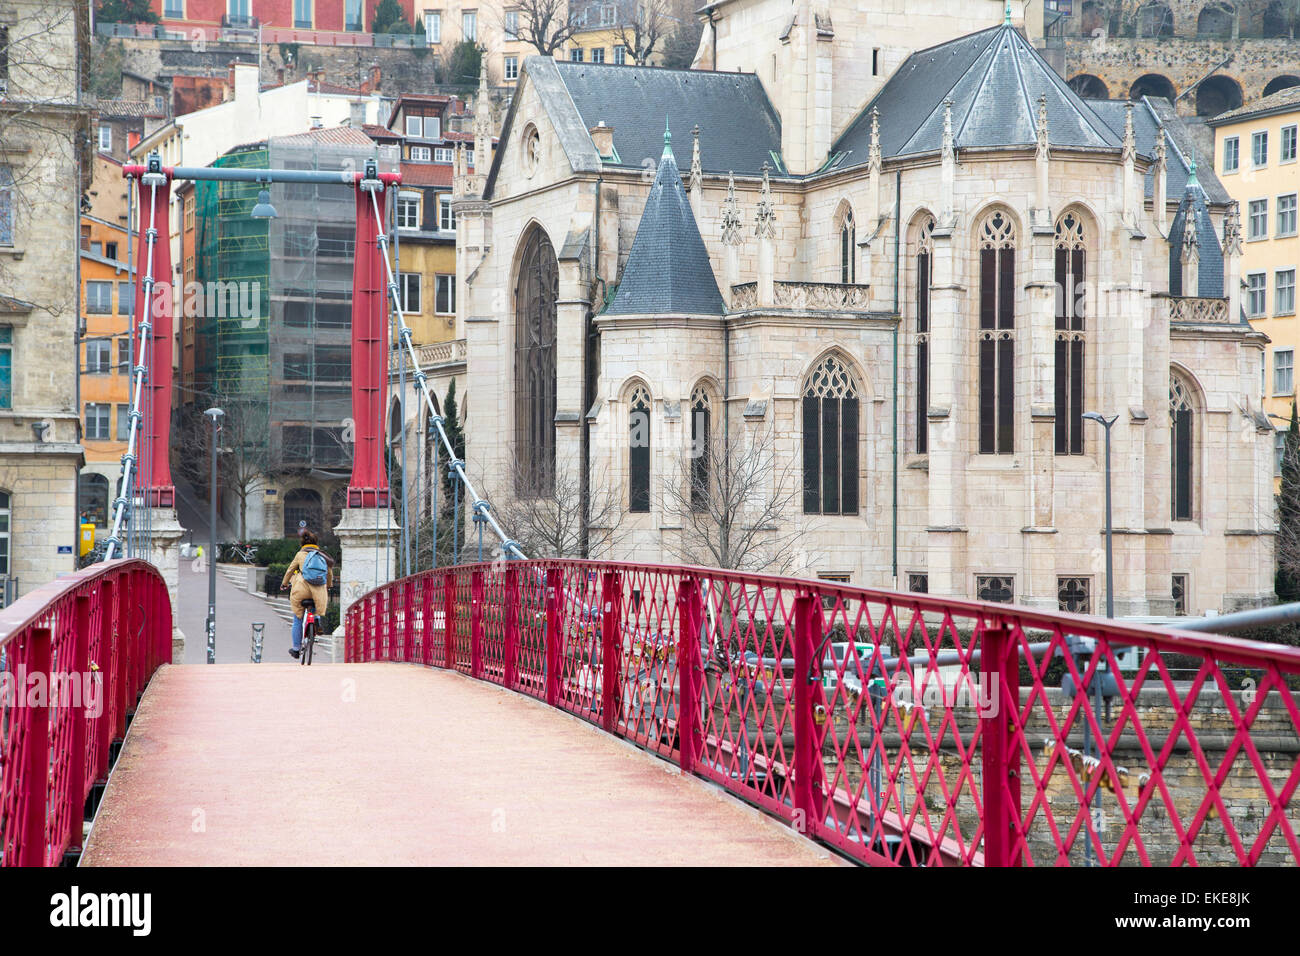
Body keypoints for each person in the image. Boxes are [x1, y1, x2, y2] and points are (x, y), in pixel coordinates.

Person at [280, 530, 335, 659]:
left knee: (297, 619)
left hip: (301, 590)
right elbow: (329, 573)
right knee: (317, 605)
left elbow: (290, 570)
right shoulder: (322, 555)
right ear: (316, 543)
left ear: (302, 543)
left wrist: (284, 583)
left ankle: (296, 648)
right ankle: (316, 620)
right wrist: (329, 585)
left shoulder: (300, 555)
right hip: (318, 590)